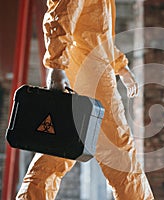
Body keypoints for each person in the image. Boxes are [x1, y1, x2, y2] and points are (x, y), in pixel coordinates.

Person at [16, 0, 154, 199]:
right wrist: (56, 67)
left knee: (58, 146)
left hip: (90, 68)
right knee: (118, 151)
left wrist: (121, 67)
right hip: (89, 73)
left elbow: (97, 34)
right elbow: (60, 15)